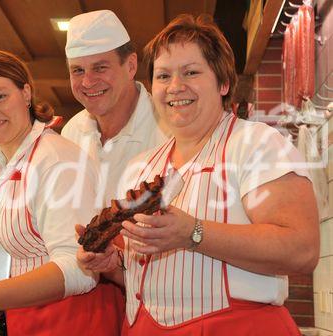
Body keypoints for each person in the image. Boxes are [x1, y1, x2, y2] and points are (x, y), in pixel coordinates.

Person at [77, 14, 319, 335]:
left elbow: (301, 250)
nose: (175, 86)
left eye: (191, 72)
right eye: (163, 76)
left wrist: (194, 232)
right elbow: (154, 279)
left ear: (223, 83)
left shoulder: (255, 143)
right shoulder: (141, 167)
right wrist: (115, 265)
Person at [0, 48, 123, 335]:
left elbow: (80, 270)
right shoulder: (7, 164)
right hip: (28, 321)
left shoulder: (56, 159)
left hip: (72, 322)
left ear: (26, 94)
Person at [62, 10, 169, 207]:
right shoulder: (70, 132)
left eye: (100, 68)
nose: (87, 82)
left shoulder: (169, 128)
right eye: (77, 70)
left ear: (130, 66)